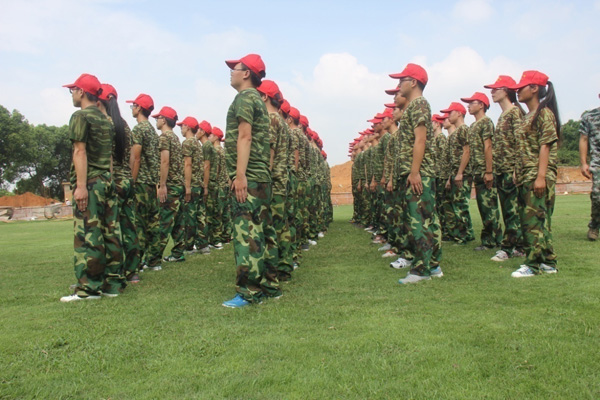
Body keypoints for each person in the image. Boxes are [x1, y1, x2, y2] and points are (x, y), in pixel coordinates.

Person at [222, 54, 281, 307]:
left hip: (250, 177)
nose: (231, 72)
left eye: (235, 68)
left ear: (246, 73)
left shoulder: (245, 98)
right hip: (261, 176)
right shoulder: (257, 100)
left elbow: (244, 137)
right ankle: (270, 286)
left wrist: (240, 175)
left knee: (246, 234)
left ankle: (249, 291)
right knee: (264, 232)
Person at [60, 73, 125, 302]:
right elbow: (109, 157)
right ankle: (112, 284)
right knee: (111, 232)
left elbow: (80, 151)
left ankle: (89, 288)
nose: (72, 95)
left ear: (81, 92)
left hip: (91, 182)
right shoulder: (107, 121)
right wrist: (109, 180)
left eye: (73, 90)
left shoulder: (80, 116)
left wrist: (80, 187)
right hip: (106, 180)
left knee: (88, 234)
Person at [389, 63, 442, 284]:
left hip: (419, 173)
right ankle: (433, 265)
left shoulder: (419, 104)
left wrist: (414, 172)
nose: (398, 85)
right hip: (415, 172)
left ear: (413, 82)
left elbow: (420, 140)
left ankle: (422, 270)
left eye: (402, 80)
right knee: (425, 220)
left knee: (419, 222)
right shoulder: (413, 107)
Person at [509, 70, 559, 278]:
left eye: (521, 87)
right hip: (526, 175)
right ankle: (548, 262)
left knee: (533, 222)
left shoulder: (544, 113)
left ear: (534, 88)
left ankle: (533, 264)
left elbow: (545, 145)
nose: (517, 91)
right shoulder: (526, 116)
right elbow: (522, 148)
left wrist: (541, 176)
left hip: (536, 174)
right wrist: (516, 171)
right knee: (537, 220)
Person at [97, 83, 141, 284]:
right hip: (127, 180)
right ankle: (132, 272)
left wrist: (109, 180)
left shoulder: (104, 122)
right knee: (129, 226)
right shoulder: (124, 124)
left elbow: (107, 157)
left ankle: (113, 272)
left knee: (111, 229)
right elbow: (132, 157)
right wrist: (129, 178)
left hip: (113, 180)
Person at [484, 76, 526, 261]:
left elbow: (520, 141)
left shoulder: (515, 112)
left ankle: (509, 248)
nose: (492, 92)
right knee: (508, 211)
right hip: (502, 170)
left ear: (507, 91)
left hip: (510, 170)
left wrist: (517, 168)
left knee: (512, 210)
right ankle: (519, 246)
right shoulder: (503, 115)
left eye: (496, 89)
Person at [461, 92, 503, 250]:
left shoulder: (486, 122)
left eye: (472, 103)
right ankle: (492, 239)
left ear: (481, 105)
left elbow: (488, 146)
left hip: (485, 171)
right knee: (484, 207)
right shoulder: (473, 126)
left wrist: (489, 171)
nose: (468, 106)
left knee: (489, 206)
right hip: (477, 171)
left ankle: (492, 240)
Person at [127, 93, 161, 271]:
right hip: (151, 183)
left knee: (138, 223)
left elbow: (136, 158)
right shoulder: (153, 131)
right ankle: (154, 261)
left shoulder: (139, 129)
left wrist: (131, 182)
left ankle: (138, 262)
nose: (132, 109)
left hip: (141, 182)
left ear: (139, 108)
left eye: (133, 105)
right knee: (153, 223)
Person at [148, 106, 186, 266]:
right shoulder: (175, 138)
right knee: (178, 224)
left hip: (170, 185)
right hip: (178, 184)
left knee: (163, 222)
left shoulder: (164, 137)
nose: (156, 121)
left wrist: (162, 185)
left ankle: (153, 259)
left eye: (158, 118)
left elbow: (165, 161)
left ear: (164, 120)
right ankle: (178, 253)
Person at [442, 101, 475, 244]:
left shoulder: (464, 129)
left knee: (461, 205)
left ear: (459, 114)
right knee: (456, 205)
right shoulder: (455, 133)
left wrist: (460, 173)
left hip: (463, 174)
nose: (448, 115)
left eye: (450, 112)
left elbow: (467, 151)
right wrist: (451, 177)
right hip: (455, 174)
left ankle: (466, 235)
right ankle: (459, 234)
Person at [178, 116, 203, 255]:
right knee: (199, 215)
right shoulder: (197, 144)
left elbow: (187, 164)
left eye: (182, 126)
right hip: (198, 184)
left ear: (187, 127)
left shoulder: (187, 143)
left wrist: (187, 187)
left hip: (192, 184)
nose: (181, 129)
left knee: (189, 216)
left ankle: (189, 246)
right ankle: (202, 244)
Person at [579, 94, 600, 241]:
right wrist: (583, 162)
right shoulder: (589, 117)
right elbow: (583, 139)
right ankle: (594, 225)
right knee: (597, 196)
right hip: (597, 162)